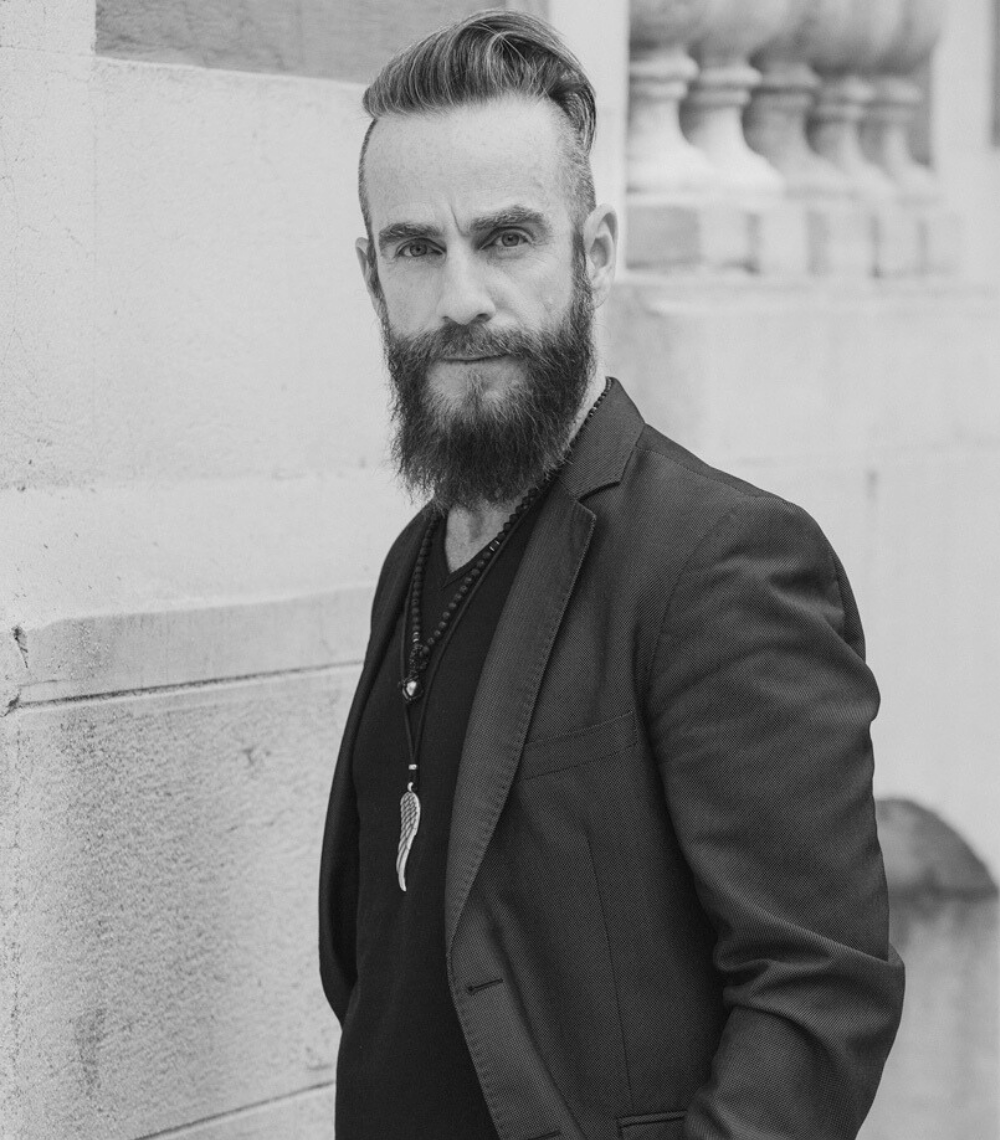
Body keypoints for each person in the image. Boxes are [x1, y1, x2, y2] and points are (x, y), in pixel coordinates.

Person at [318, 11, 905, 1140]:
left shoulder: (719, 560)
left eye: (506, 238)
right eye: (416, 248)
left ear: (593, 254)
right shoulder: (412, 563)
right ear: (371, 275)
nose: (461, 299)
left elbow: (819, 998)